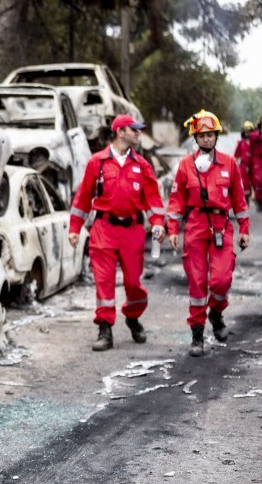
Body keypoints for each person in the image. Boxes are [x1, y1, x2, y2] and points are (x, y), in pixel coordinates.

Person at [68, 114, 166, 351]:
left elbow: (152, 199)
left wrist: (158, 223)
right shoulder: (97, 162)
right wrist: (74, 228)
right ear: (121, 131)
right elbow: (83, 198)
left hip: (132, 231)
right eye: (134, 129)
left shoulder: (142, 165)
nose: (138, 133)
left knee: (133, 283)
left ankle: (132, 317)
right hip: (103, 230)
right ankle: (105, 328)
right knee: (104, 283)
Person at [166, 110, 250, 357]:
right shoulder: (185, 166)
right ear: (195, 138)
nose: (206, 139)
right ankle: (197, 333)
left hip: (222, 226)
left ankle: (216, 312)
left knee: (221, 280)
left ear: (216, 136)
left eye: (210, 135)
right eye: (201, 135)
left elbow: (239, 201)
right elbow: (176, 201)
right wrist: (173, 229)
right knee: (197, 282)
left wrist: (244, 230)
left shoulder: (229, 164)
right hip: (195, 226)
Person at [247, 113, 262, 210]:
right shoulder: (254, 136)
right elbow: (251, 148)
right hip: (257, 158)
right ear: (260, 124)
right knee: (260, 180)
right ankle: (259, 200)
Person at [235, 120, 254, 200]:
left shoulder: (255, 142)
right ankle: (246, 198)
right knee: (244, 182)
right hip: (243, 165)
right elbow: (236, 154)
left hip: (254, 165)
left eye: (249, 131)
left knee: (255, 180)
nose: (248, 133)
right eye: (246, 132)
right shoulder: (241, 142)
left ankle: (256, 197)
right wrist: (236, 164)